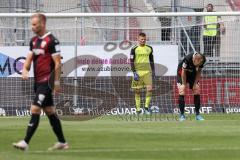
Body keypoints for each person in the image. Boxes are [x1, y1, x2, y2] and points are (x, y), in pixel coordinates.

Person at [12, 13, 69, 151]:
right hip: (37, 82)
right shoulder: (34, 41)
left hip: (46, 82)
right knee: (49, 110)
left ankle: (25, 142)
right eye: (32, 24)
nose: (32, 27)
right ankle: (62, 142)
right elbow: (29, 58)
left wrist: (56, 83)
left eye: (34, 24)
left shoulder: (52, 41)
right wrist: (25, 70)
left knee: (35, 108)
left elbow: (57, 63)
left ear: (42, 23)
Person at [130, 32, 155, 114]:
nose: (143, 41)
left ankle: (146, 108)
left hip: (147, 72)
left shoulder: (149, 48)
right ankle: (138, 110)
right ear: (138, 39)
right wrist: (134, 72)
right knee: (137, 91)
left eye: (144, 39)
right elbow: (131, 61)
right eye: (141, 39)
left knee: (150, 89)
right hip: (138, 73)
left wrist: (153, 71)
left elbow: (151, 60)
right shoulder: (134, 49)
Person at [177, 52, 206, 121]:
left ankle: (198, 115)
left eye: (200, 64)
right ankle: (182, 115)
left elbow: (199, 72)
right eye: (198, 64)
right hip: (182, 73)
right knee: (182, 91)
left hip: (193, 74)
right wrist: (184, 84)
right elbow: (183, 72)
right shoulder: (187, 59)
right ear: (194, 60)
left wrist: (195, 83)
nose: (198, 65)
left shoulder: (202, 60)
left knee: (197, 90)